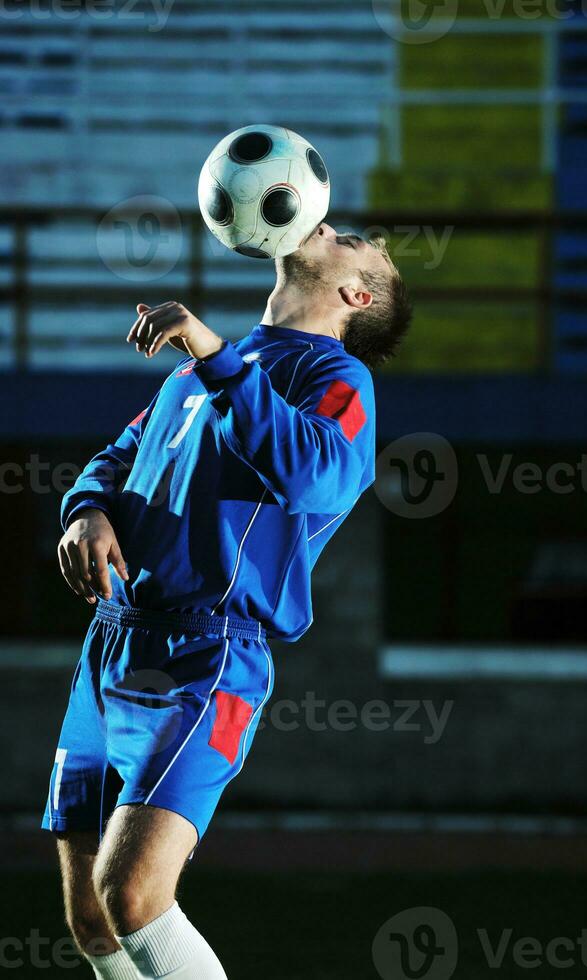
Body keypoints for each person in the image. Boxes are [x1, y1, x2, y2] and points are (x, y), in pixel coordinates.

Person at [43, 222, 412, 979]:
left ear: (357, 294)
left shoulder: (336, 376)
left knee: (134, 895)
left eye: (355, 240)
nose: (334, 227)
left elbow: (318, 475)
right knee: (93, 923)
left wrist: (215, 356)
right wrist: (86, 508)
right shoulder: (192, 375)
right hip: (111, 647)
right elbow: (118, 457)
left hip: (207, 657)